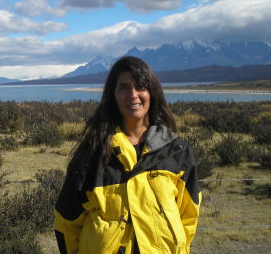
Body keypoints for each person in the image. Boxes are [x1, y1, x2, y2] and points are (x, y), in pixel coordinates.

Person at [54, 56, 201, 254]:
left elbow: (189, 215)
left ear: (152, 93)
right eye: (123, 88)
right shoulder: (93, 153)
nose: (133, 95)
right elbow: (67, 221)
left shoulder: (175, 150)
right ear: (113, 96)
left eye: (140, 86)